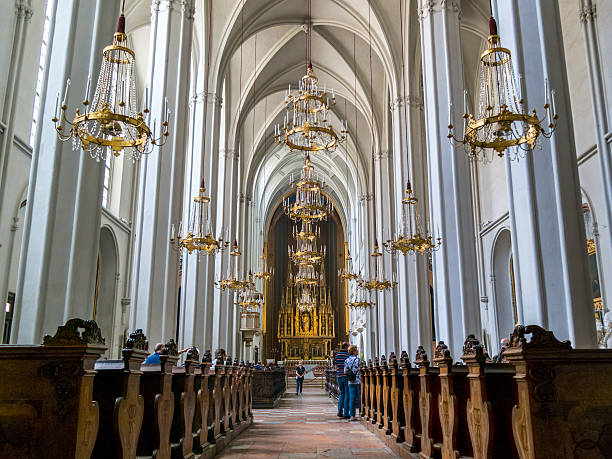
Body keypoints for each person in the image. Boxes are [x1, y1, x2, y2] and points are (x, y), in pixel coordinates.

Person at [344, 345, 361, 421]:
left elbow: (345, 371)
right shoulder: (358, 359)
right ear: (354, 351)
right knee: (360, 397)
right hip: (358, 380)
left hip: (351, 381)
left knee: (352, 398)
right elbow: (361, 369)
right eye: (356, 350)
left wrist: (350, 373)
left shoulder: (346, 360)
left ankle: (352, 416)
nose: (357, 351)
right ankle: (361, 414)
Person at [334, 342, 350, 419]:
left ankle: (339, 411)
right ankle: (346, 413)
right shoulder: (348, 355)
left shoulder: (337, 355)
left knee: (341, 393)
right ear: (346, 347)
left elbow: (336, 366)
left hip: (339, 375)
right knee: (347, 394)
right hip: (346, 375)